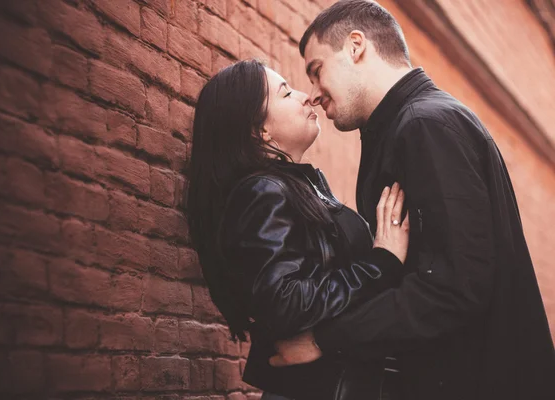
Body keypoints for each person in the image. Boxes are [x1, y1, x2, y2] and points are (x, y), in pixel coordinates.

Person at [269, 1, 555, 400]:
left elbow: (455, 287)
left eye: (317, 71)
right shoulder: (407, 126)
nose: (314, 95)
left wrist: (325, 338)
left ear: (356, 46)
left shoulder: (425, 125)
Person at [186, 59, 410, 399]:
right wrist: (380, 264)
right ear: (259, 130)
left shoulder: (299, 189)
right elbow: (283, 301)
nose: (307, 97)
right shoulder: (262, 192)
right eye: (286, 92)